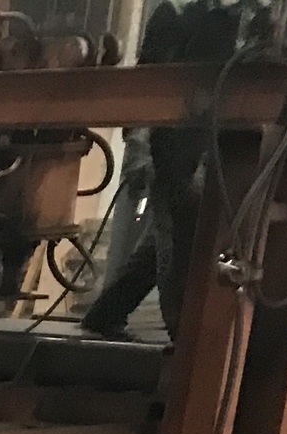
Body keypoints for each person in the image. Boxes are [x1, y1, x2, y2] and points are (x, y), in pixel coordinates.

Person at [80, 0, 242, 340]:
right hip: (176, 151)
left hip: (194, 148)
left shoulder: (223, 22)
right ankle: (182, 334)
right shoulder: (180, 19)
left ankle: (107, 313)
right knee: (175, 240)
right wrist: (142, 151)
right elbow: (151, 88)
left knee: (164, 240)